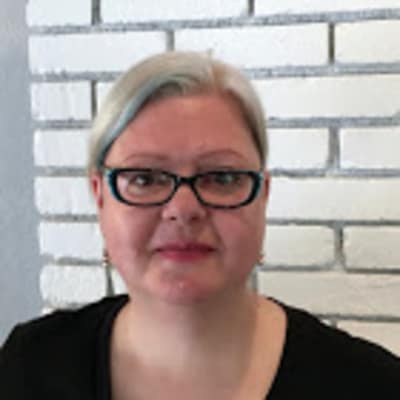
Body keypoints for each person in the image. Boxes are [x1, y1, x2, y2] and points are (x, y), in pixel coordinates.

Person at [0, 51, 399, 399]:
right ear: (99, 196)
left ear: (262, 196)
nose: (183, 208)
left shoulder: (372, 385)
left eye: (221, 177)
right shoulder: (29, 365)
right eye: (145, 178)